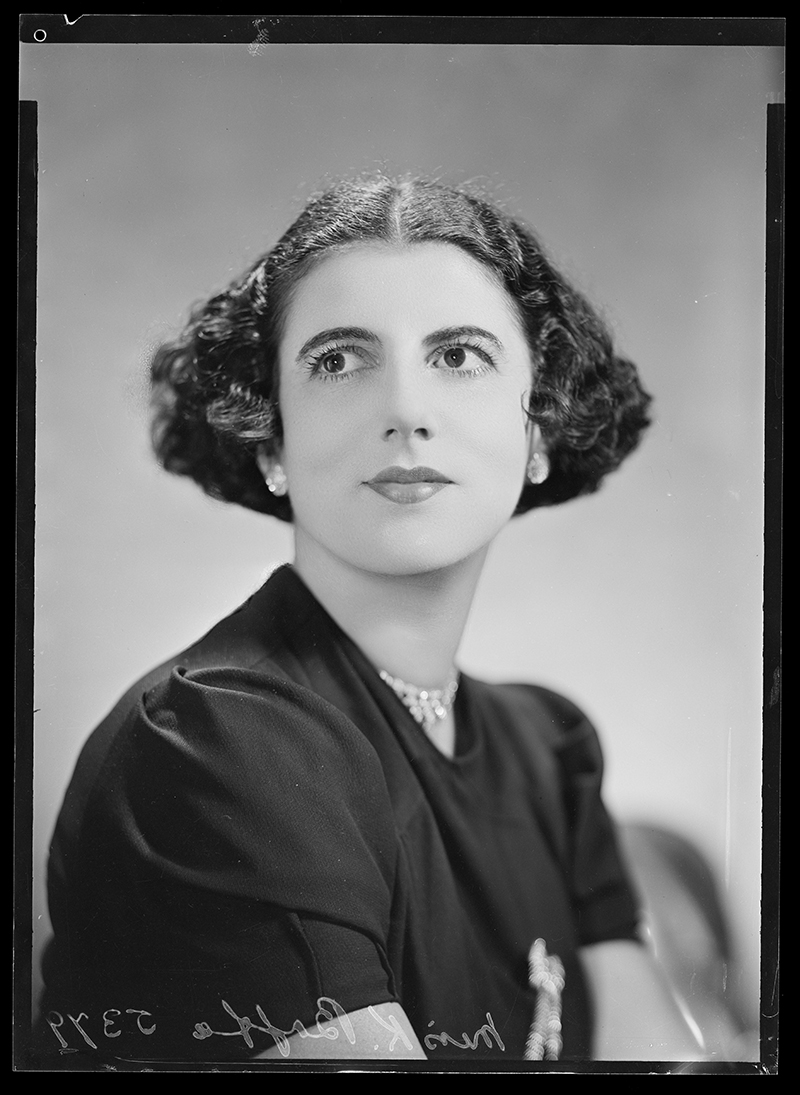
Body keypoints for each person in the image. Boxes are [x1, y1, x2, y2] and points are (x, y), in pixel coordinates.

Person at [40, 176, 703, 1064]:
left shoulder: (550, 748)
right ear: (271, 439)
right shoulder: (215, 739)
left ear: (538, 426)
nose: (405, 412)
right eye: (340, 360)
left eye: (460, 356)